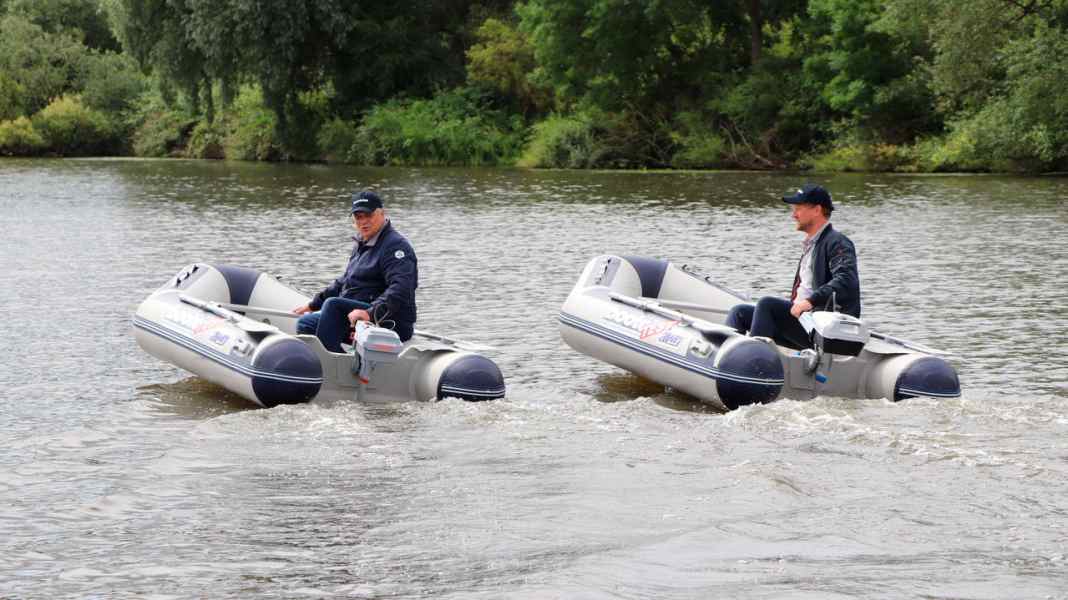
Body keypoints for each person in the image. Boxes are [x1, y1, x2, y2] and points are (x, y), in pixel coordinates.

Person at [724, 184, 860, 350]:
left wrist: (810, 302)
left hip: (824, 329)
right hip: (803, 320)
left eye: (798, 208)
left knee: (767, 304)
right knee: (739, 312)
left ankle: (756, 360)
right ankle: (728, 358)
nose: (793, 215)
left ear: (817, 210)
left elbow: (846, 280)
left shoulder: (837, 242)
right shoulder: (813, 244)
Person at [294, 191, 418, 352]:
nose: (364, 222)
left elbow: (401, 288)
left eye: (368, 215)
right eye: (359, 217)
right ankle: (343, 366)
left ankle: (332, 368)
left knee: (333, 305)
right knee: (306, 323)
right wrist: (313, 304)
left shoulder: (396, 247)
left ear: (381, 213)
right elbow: (345, 281)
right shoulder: (362, 243)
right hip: (356, 316)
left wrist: (371, 313)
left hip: (390, 320)